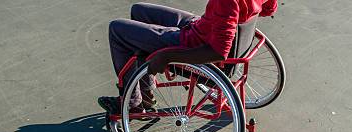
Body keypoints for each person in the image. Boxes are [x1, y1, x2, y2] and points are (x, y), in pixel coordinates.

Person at [97, 0, 278, 115]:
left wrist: (167, 56)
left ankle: (132, 102)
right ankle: (146, 91)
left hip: (193, 43)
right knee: (138, 11)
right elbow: (269, 8)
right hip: (202, 27)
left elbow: (218, 52)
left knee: (117, 29)